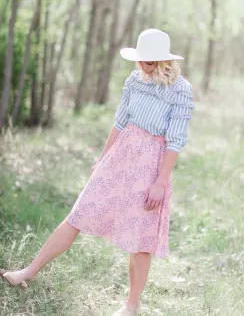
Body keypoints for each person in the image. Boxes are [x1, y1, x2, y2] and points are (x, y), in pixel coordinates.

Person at [0, 29, 194, 316]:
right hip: (120, 157)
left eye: (149, 62)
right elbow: (119, 122)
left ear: (165, 62)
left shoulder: (180, 90)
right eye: (140, 61)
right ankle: (30, 270)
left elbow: (176, 140)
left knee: (140, 240)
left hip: (150, 166)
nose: (142, 66)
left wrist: (161, 182)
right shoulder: (134, 80)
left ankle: (131, 305)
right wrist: (102, 160)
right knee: (77, 214)